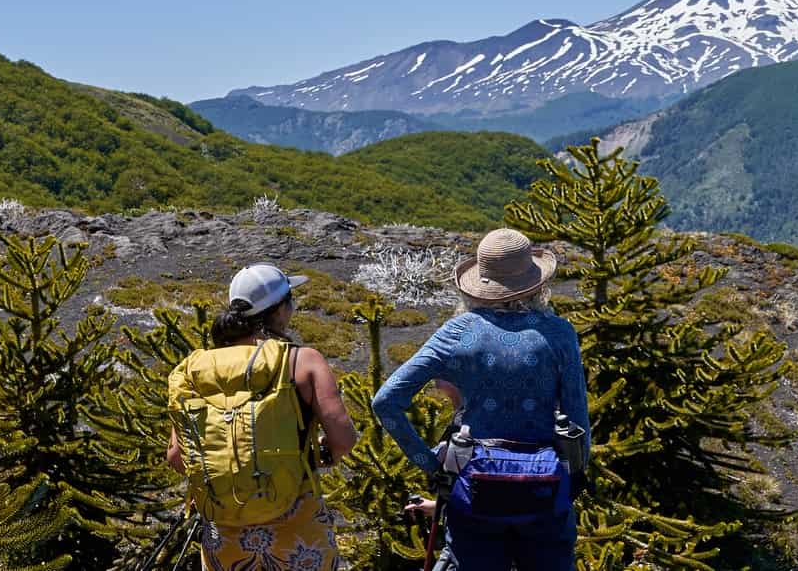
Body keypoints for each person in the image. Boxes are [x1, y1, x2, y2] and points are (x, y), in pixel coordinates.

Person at [372, 228, 590, 571]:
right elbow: (578, 420)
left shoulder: (457, 334)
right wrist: (573, 477)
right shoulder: (559, 333)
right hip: (545, 489)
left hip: (475, 486)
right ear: (536, 284)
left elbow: (386, 401)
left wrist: (432, 466)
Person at [167, 263, 358, 571]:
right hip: (297, 524)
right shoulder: (302, 360)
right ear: (281, 310)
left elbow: (177, 456)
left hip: (224, 533)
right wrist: (316, 455)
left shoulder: (197, 369)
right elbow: (344, 439)